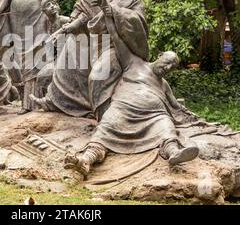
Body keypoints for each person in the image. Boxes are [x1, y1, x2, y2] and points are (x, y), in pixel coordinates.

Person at [31, 0, 149, 120]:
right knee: (70, 52)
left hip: (117, 46)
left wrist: (114, 11)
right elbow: (84, 11)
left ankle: (106, 119)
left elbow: (138, 21)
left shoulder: (135, 0)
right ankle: (55, 101)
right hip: (95, 41)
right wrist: (69, 26)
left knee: (98, 76)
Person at [64, 49, 200, 178]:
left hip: (154, 116)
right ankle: (86, 160)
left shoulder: (164, 84)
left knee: (167, 127)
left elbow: (175, 104)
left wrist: (190, 114)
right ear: (160, 55)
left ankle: (174, 153)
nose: (168, 67)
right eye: (168, 62)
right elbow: (121, 40)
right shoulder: (135, 64)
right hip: (123, 109)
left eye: (173, 66)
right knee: (107, 125)